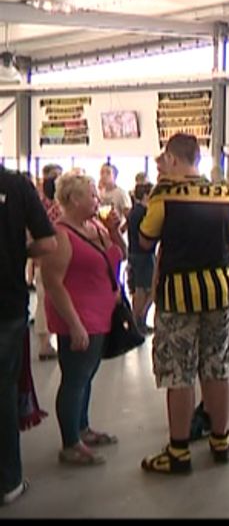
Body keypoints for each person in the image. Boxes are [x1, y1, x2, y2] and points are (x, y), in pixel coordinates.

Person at [139, 133, 229, 475]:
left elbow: (144, 238)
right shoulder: (225, 192)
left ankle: (178, 451)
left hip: (178, 295)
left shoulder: (164, 194)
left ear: (174, 159)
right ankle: (220, 440)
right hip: (219, 291)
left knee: (178, 372)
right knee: (218, 366)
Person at [41, 173, 127, 466]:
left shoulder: (95, 227)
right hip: (77, 315)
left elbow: (119, 255)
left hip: (100, 312)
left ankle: (82, 427)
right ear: (74, 199)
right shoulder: (61, 235)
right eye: (92, 194)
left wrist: (114, 231)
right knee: (75, 378)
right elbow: (53, 283)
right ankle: (70, 442)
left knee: (87, 375)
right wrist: (75, 324)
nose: (97, 199)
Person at [0, 163, 57, 505]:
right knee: (4, 391)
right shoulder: (17, 185)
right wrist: (19, 252)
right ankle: (8, 481)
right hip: (6, 303)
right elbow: (48, 243)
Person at [33, 164, 64, 360]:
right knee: (51, 301)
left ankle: (45, 342)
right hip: (54, 261)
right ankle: (46, 344)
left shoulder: (38, 205)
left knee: (42, 300)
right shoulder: (58, 211)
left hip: (41, 258)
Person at [127, 182, 156, 334]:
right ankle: (139, 319)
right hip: (144, 255)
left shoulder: (133, 212)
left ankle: (137, 320)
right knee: (144, 289)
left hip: (134, 253)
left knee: (139, 288)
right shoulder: (144, 213)